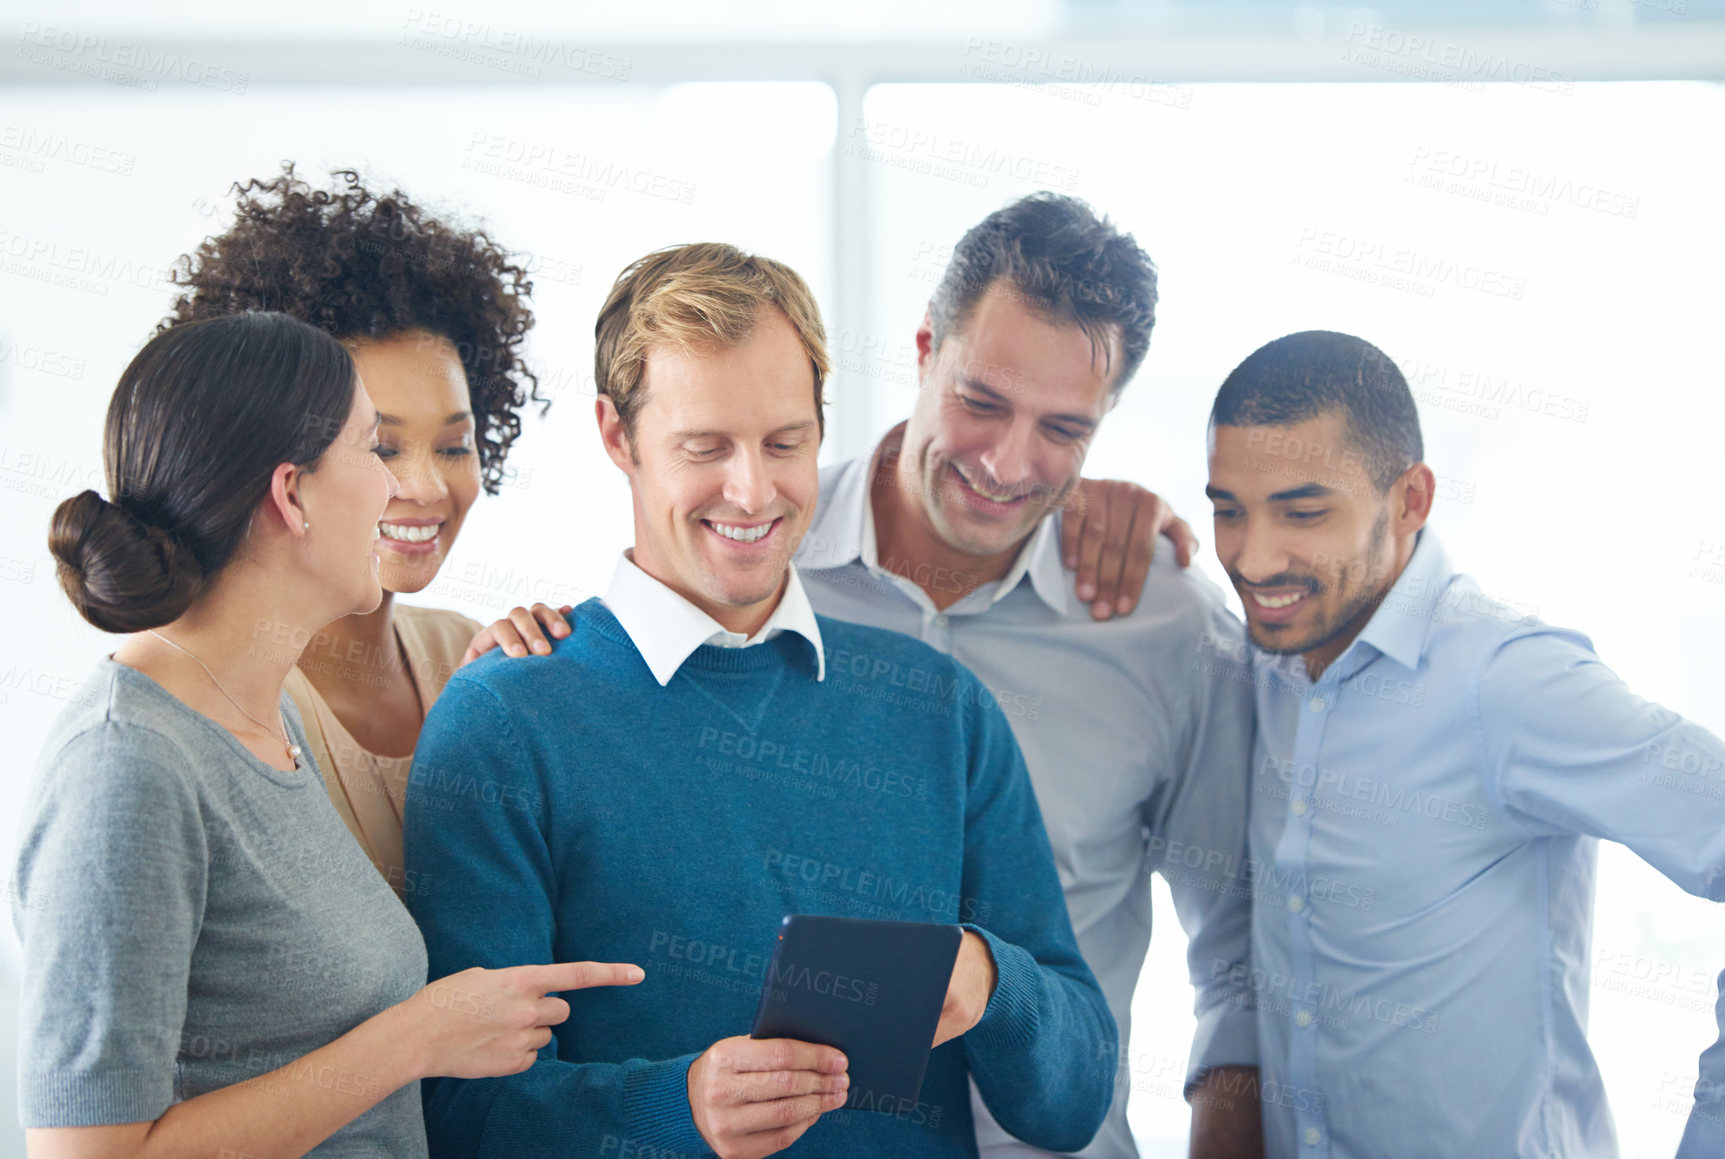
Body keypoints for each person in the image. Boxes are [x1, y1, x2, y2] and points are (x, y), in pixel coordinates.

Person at [477, 194, 1260, 1159]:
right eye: (981, 402)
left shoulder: (1123, 631)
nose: (1009, 462)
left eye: (1062, 428)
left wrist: (988, 978)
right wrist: (677, 1107)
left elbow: (1226, 962)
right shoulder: (562, 680)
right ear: (925, 350)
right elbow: (464, 1104)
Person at [15, 312, 641, 1159]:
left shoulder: (259, 720)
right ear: (291, 494)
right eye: (371, 449)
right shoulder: (127, 762)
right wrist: (415, 1038)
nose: (395, 491)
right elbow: (91, 1153)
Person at [1202, 330, 1725, 1158]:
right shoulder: (1261, 668)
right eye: (1227, 508)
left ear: (1409, 500)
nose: (1252, 555)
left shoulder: (1508, 681)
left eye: (1302, 512)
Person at [161, 164, 566, 896]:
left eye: (454, 445)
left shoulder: (468, 654)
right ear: (277, 462)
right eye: (380, 446)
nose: (424, 487)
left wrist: (539, 694)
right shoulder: (220, 703)